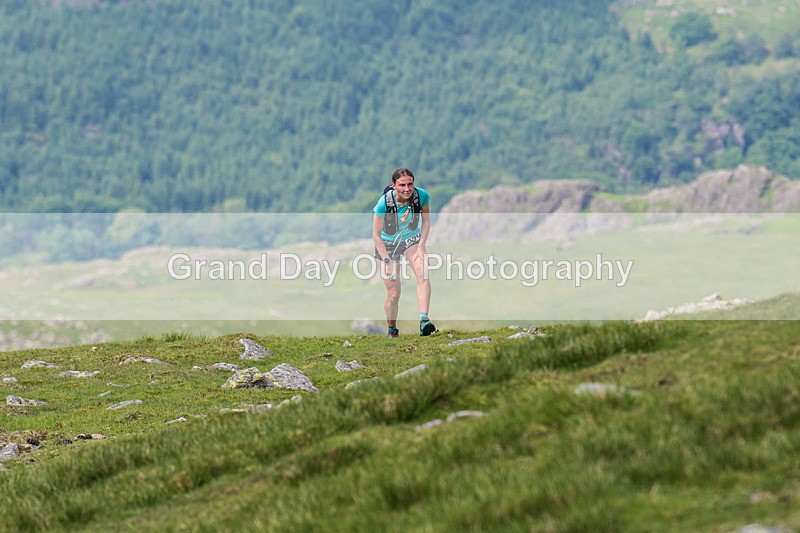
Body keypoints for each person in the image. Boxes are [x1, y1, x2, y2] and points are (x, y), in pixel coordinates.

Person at [373, 167, 436, 338]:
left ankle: (424, 321)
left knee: (423, 273)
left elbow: (426, 221)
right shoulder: (383, 203)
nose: (407, 189)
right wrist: (386, 261)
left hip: (411, 240)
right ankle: (392, 329)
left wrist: (422, 246)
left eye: (410, 184)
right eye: (402, 185)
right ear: (393, 185)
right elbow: (376, 235)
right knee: (394, 294)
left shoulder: (421, 196)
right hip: (388, 244)